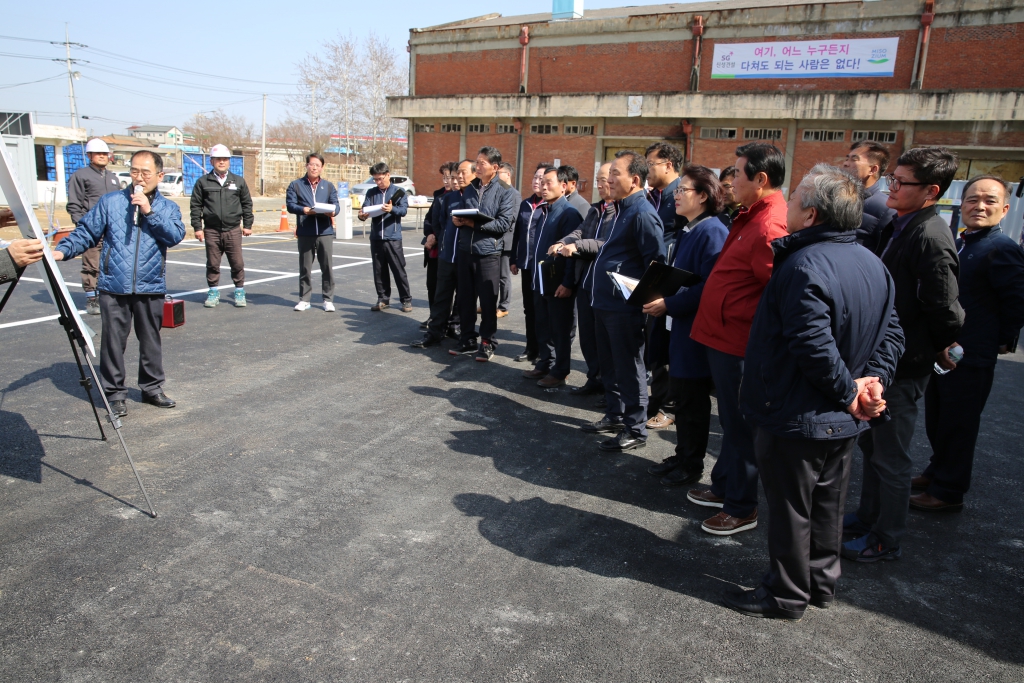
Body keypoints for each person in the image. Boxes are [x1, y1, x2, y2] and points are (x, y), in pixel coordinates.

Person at [724, 164, 905, 621]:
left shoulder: (803, 264)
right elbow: (893, 335)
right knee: (827, 502)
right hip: (842, 413)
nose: (790, 204)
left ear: (812, 214)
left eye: (798, 197)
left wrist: (852, 392)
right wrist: (870, 385)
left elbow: (813, 344)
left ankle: (785, 594)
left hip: (799, 409)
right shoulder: (872, 262)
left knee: (790, 507)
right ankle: (820, 583)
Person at [843, 147, 964, 563]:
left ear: (931, 191)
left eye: (901, 182)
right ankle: (867, 518)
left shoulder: (930, 235)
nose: (891, 188)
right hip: (884, 358)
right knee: (874, 450)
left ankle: (885, 538)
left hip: (904, 365)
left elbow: (946, 309)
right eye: (892, 178)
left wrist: (929, 349)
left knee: (892, 457)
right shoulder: (901, 223)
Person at [687, 142, 789, 536]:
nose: (729, 183)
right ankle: (725, 486)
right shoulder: (751, 215)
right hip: (723, 336)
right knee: (730, 422)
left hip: (740, 343)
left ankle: (742, 506)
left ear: (760, 179)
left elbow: (777, 293)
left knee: (742, 427)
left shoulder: (770, 224)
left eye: (737, 173)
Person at [911, 176, 1024, 512]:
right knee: (939, 418)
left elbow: (1016, 301)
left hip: (970, 355)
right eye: (973, 200)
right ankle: (937, 471)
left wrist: (1000, 340)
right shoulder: (965, 243)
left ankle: (948, 491)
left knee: (959, 423)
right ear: (963, 204)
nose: (980, 206)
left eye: (990, 201)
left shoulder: (1001, 249)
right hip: (946, 350)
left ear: (1004, 210)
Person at [52, 150, 185, 416]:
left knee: (150, 341)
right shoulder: (110, 202)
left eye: (145, 172)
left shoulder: (168, 207)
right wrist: (62, 250)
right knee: (113, 342)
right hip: (114, 284)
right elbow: (87, 231)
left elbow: (174, 235)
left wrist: (148, 211)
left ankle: (152, 389)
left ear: (159, 175)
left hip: (150, 285)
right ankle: (114, 393)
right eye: (134, 170)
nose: (138, 177)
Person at [642, 165, 729, 486]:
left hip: (694, 329)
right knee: (681, 398)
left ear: (704, 196)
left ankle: (691, 464)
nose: (676, 196)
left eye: (684, 190)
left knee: (692, 401)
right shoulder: (689, 228)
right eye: (677, 191)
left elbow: (709, 287)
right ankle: (682, 454)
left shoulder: (712, 231)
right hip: (677, 327)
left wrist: (670, 304)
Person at [581, 150, 666, 451]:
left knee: (630, 368)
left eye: (615, 173)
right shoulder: (618, 209)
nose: (609, 179)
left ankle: (635, 429)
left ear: (635, 179)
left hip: (624, 308)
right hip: (604, 304)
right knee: (611, 365)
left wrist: (643, 303)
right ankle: (615, 415)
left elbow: (655, 264)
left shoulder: (642, 213)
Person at [449, 147, 519, 362]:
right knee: (465, 299)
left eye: (482, 163)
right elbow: (462, 212)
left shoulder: (508, 191)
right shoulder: (470, 188)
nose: (476, 167)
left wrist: (473, 224)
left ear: (495, 167)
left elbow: (503, 224)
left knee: (488, 302)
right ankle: (467, 339)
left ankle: (487, 342)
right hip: (465, 251)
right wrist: (458, 221)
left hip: (488, 253)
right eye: (476, 163)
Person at [553, 162, 615, 396]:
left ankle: (610, 389)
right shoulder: (596, 208)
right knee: (588, 337)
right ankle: (594, 378)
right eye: (598, 180)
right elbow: (580, 231)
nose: (600, 184)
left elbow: (606, 243)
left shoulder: (620, 212)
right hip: (586, 282)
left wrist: (576, 245)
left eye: (605, 179)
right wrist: (565, 241)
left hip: (605, 285)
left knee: (606, 342)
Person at [520, 166, 584, 388]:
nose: (543, 186)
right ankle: (545, 363)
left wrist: (567, 283)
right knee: (543, 326)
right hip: (541, 281)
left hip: (558, 284)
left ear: (564, 186)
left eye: (549, 182)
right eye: (542, 182)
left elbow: (572, 254)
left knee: (560, 329)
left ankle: (560, 370)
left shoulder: (569, 214)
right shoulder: (545, 210)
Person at [644, 142, 684, 431]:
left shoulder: (681, 195)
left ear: (668, 165)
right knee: (656, 343)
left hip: (672, 284)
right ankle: (657, 400)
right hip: (653, 279)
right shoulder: (654, 197)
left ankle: (669, 406)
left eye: (650, 163)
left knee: (670, 347)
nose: (647, 169)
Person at [190, 144, 254, 309]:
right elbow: (195, 206)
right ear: (211, 161)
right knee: (212, 263)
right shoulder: (203, 182)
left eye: (225, 159)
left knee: (237, 263)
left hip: (233, 229)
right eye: (218, 159)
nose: (221, 162)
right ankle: (213, 291)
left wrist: (248, 224)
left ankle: (239, 291)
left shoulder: (238, 181)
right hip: (211, 230)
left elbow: (247, 204)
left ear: (229, 162)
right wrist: (197, 227)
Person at [412, 161, 467, 348]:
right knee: (440, 295)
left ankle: (458, 329)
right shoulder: (445, 199)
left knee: (463, 297)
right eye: (452, 176)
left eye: (459, 175)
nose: (455, 179)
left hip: (465, 257)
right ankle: (435, 332)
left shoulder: (475, 197)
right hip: (445, 255)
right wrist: (439, 239)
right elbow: (438, 223)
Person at [66, 138, 120, 316]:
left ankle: (109, 295)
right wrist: (83, 225)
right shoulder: (80, 176)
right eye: (98, 154)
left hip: (112, 228)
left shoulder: (112, 178)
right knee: (91, 264)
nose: (102, 157)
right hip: (91, 228)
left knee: (111, 263)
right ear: (89, 155)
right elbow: (74, 204)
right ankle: (92, 298)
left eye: (105, 154)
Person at [287, 153, 341, 312]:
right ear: (307, 166)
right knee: (305, 267)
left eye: (318, 165)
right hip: (305, 231)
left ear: (322, 168)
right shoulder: (296, 185)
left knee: (327, 267)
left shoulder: (329, 186)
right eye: (312, 164)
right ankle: (304, 299)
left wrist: (333, 212)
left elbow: (336, 205)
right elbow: (290, 205)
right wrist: (303, 210)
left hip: (325, 232)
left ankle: (328, 299)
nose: (315, 167)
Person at [359, 162, 412, 312]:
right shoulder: (371, 193)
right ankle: (383, 298)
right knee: (379, 270)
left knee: (398, 269)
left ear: (388, 175)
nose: (378, 182)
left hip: (393, 237)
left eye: (381, 178)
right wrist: (362, 216)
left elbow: (403, 211)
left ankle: (406, 300)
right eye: (375, 179)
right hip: (376, 237)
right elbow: (365, 210)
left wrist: (391, 209)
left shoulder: (399, 192)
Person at [509, 164, 548, 363]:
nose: (537, 182)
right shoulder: (525, 204)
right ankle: (530, 348)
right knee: (529, 309)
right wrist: (514, 259)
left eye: (542, 178)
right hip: (525, 265)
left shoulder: (549, 206)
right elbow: (517, 234)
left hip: (541, 267)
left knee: (542, 310)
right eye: (535, 177)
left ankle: (544, 350)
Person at [842, 140, 895, 250]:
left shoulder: (886, 209)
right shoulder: (836, 199)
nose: (846, 163)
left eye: (854, 159)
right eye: (847, 158)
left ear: (873, 169)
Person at [420, 163, 451, 329]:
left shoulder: (460, 196)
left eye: (449, 177)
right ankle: (434, 316)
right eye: (444, 177)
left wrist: (437, 237)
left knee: (445, 288)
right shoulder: (438, 195)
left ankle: (448, 321)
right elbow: (429, 218)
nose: (446, 180)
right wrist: (429, 234)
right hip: (433, 249)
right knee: (432, 284)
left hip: (446, 248)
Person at [497, 161, 516, 319]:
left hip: (506, 241)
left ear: (507, 175)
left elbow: (511, 218)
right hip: (494, 241)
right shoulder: (498, 192)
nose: (496, 177)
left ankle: (504, 306)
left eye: (499, 173)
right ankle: (486, 304)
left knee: (503, 276)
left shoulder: (514, 194)